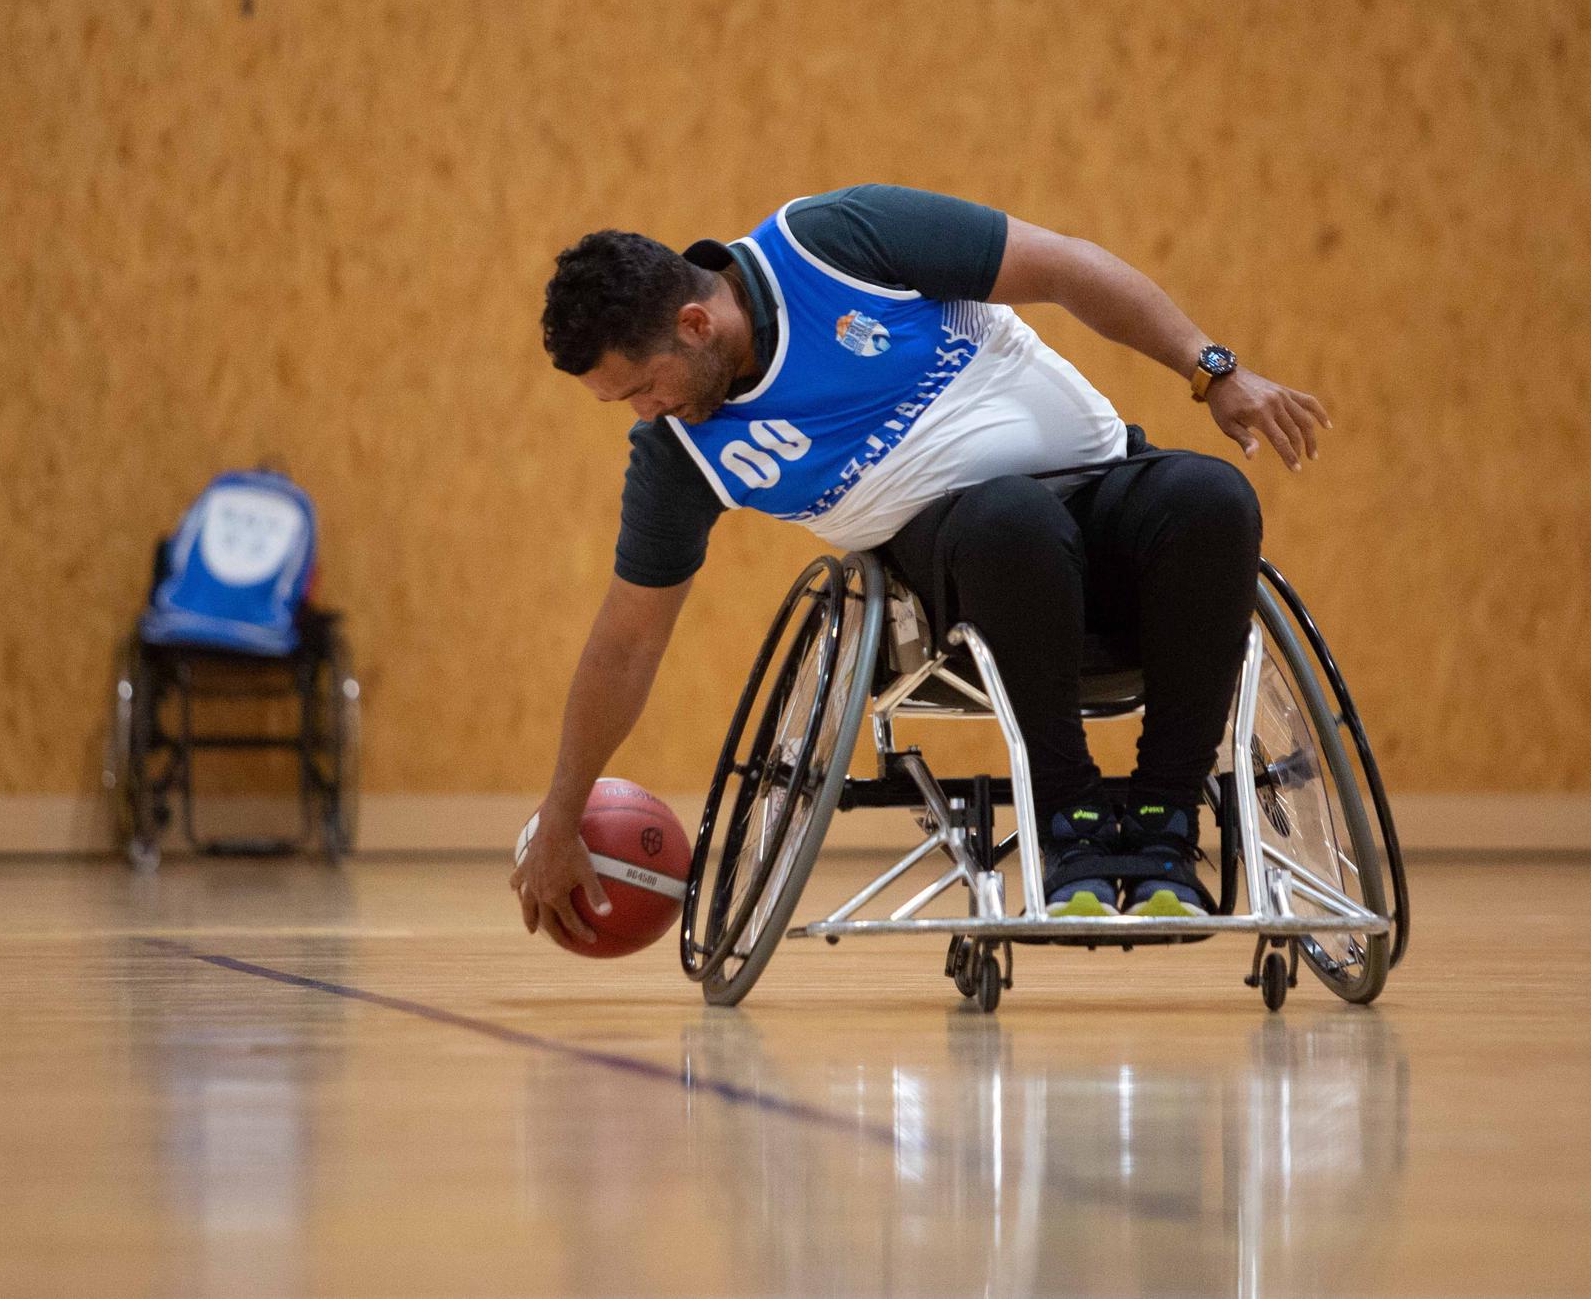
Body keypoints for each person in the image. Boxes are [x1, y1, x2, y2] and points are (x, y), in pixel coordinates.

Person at [512, 185, 1329, 945]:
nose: (645, 411)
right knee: (1016, 520)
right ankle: (1068, 821)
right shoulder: (680, 453)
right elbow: (626, 644)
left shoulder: (830, 243)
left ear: (695, 324)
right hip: (968, 565)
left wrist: (1210, 367)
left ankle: (1166, 817)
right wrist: (560, 813)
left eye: (642, 387)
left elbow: (1061, 266)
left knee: (1212, 496)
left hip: (1107, 491)